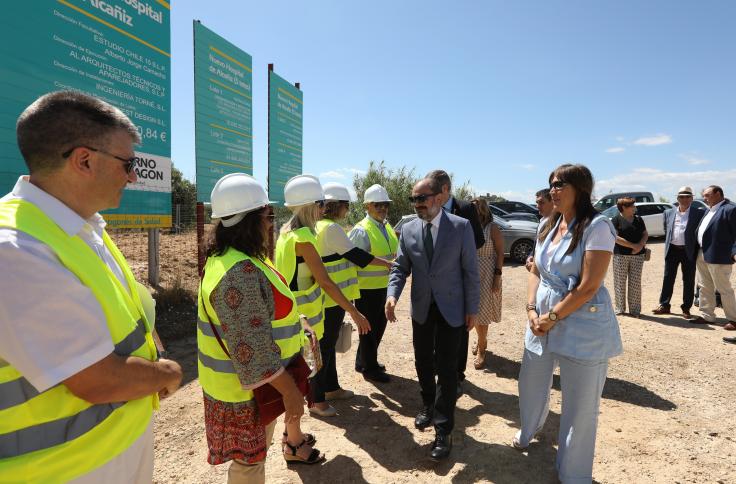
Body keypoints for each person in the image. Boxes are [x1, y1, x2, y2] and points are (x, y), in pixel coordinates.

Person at [0, 91, 182, 483]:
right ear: (84, 160)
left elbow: (128, 312)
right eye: (128, 163)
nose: (134, 175)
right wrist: (164, 373)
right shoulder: (14, 249)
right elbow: (96, 380)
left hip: (111, 455)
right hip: (67, 470)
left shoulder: (81, 226)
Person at [198, 174, 326, 481]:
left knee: (255, 459)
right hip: (245, 392)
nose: (270, 223)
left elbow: (264, 312)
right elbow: (252, 355)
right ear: (249, 220)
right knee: (250, 465)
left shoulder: (238, 258)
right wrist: (292, 393)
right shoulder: (238, 273)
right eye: (266, 215)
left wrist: (298, 322)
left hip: (254, 387)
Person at [517, 164, 622, 484]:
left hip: (582, 325)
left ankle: (574, 475)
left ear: (581, 189)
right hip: (542, 319)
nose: (553, 190)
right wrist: (532, 309)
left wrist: (550, 318)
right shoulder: (546, 224)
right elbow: (535, 270)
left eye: (560, 184)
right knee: (530, 384)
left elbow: (589, 286)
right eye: (550, 184)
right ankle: (528, 431)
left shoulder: (597, 227)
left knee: (580, 407)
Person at [385, 177, 480, 461]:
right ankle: (428, 405)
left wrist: (472, 309)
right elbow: (400, 268)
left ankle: (443, 429)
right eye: (413, 199)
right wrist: (392, 295)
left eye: (422, 198)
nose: (417, 204)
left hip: (452, 307)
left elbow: (470, 272)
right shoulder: (409, 229)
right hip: (422, 307)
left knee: (448, 369)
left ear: (439, 197)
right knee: (423, 360)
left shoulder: (460, 227)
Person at [274, 175, 370, 418]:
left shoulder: (286, 234)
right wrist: (354, 312)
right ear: (311, 206)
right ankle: (316, 403)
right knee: (314, 355)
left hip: (292, 308)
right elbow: (325, 281)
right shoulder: (305, 239)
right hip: (308, 311)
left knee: (314, 354)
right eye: (320, 204)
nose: (322, 209)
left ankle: (324, 393)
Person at [315, 183, 392, 387]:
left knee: (329, 344)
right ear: (337, 206)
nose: (348, 210)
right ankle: (320, 396)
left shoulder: (319, 226)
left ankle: (330, 389)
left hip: (335, 293)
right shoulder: (333, 228)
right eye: (346, 205)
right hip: (339, 293)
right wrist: (387, 264)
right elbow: (356, 256)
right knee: (327, 345)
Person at [426, 169, 484, 396]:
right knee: (432, 328)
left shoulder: (466, 209)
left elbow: (478, 239)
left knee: (459, 330)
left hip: (457, 280)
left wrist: (455, 251)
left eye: (434, 191)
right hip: (431, 282)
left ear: (446, 190)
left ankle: (457, 375)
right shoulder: (428, 207)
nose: (430, 196)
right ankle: (436, 371)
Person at [348, 183, 399, 382]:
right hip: (367, 290)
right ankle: (370, 369)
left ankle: (363, 361)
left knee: (378, 328)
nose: (382, 208)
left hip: (385, 288)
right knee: (369, 331)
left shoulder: (386, 226)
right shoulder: (361, 230)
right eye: (378, 205)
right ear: (367, 206)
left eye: (385, 204)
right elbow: (354, 259)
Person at [652, 186, 705, 319]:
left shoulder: (698, 213)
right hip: (672, 250)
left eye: (687, 196)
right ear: (677, 198)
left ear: (692, 198)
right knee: (668, 278)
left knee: (688, 280)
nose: (685, 199)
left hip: (689, 251)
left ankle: (686, 308)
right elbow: (667, 229)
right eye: (682, 196)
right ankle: (664, 305)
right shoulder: (668, 213)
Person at [691, 185, 736, 330]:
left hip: (719, 255)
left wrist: (734, 251)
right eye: (704, 195)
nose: (704, 198)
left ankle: (734, 319)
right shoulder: (708, 210)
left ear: (718, 193)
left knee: (724, 288)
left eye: (707, 195)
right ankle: (707, 315)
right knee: (704, 286)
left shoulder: (730, 209)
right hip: (702, 253)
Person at [469, 197, 504, 369]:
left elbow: (500, 253)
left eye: (475, 208)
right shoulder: (468, 227)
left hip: (488, 273)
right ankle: (481, 339)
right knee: (473, 311)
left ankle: (482, 348)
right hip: (470, 273)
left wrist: (497, 277)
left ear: (482, 209)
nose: (472, 211)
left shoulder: (493, 228)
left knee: (482, 313)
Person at [611, 197, 649, 317]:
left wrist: (640, 246)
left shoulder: (638, 219)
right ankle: (620, 308)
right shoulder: (616, 220)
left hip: (638, 256)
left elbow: (645, 233)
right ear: (624, 208)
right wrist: (633, 245)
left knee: (635, 283)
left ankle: (635, 310)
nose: (635, 208)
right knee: (619, 282)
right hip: (620, 255)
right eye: (632, 206)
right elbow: (615, 238)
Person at [526, 188, 555, 271]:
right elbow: (537, 247)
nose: (537, 206)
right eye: (537, 203)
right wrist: (531, 256)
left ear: (553, 202)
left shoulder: (559, 224)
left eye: (542, 203)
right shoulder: (542, 221)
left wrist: (536, 265)